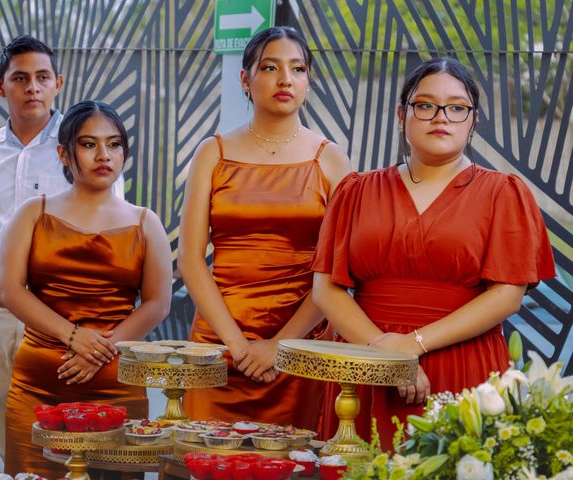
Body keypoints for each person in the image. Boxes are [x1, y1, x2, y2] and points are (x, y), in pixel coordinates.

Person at [311, 57, 556, 447]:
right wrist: (387, 360)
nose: (440, 117)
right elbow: (326, 290)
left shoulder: (502, 193)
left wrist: (413, 345)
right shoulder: (355, 191)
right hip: (364, 365)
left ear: (473, 120)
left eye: (457, 108)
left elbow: (508, 294)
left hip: (461, 365)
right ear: (401, 114)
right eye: (425, 105)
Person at [178, 26, 351, 430]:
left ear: (309, 80)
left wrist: (280, 346)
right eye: (270, 67)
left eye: (298, 68)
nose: (285, 79)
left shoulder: (331, 160)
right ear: (246, 79)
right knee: (207, 460)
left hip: (302, 345)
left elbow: (337, 270)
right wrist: (237, 345)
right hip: (218, 345)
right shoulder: (212, 152)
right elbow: (189, 259)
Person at [0, 100, 172, 477]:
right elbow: (10, 289)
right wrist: (72, 335)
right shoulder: (33, 213)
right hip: (39, 385)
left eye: (114, 144)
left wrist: (99, 351)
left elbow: (157, 304)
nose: (104, 155)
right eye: (89, 144)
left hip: (116, 387)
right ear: (63, 152)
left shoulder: (146, 222)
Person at [0, 35, 67, 459]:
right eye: (20, 78)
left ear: (58, 82)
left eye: (42, 77)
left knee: (60, 435)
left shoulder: (77, 149)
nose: (32, 88)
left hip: (55, 316)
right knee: (8, 433)